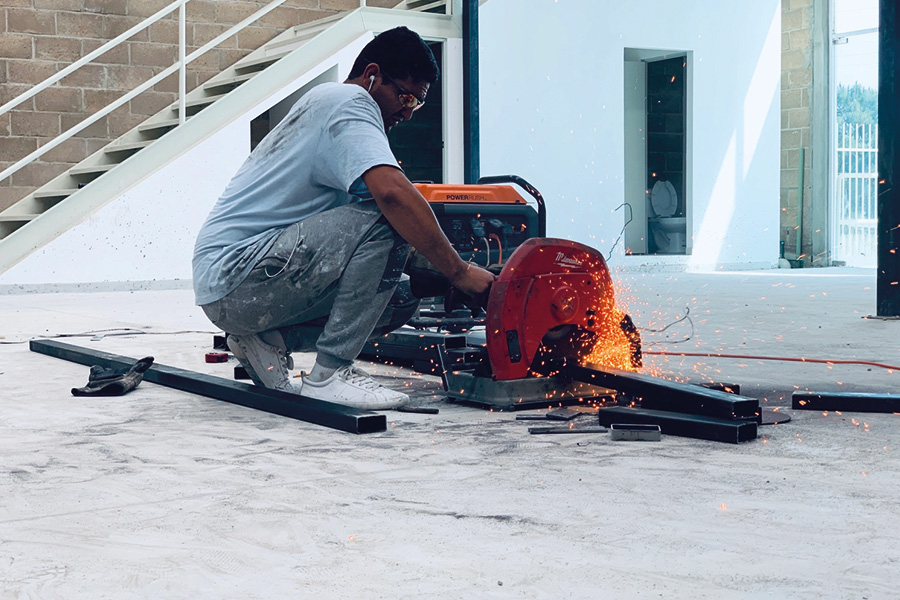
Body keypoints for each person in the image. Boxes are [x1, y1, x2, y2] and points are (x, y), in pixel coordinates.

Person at [192, 26, 494, 410]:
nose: (407, 112)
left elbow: (374, 247)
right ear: (372, 75)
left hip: (234, 289)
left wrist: (443, 277)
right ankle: (330, 375)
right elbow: (393, 198)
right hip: (237, 275)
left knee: (401, 299)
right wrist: (460, 271)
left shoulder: (333, 109)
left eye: (416, 104)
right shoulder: (350, 102)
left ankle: (268, 342)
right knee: (389, 217)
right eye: (405, 97)